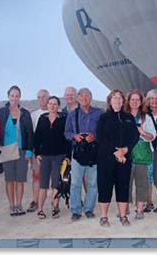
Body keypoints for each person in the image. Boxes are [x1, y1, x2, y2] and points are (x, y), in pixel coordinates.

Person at [96, 90, 139, 227]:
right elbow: (100, 137)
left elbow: (135, 136)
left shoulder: (129, 117)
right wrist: (116, 152)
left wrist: (125, 150)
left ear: (123, 101)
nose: (118, 100)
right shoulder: (104, 117)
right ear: (110, 100)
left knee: (123, 187)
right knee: (105, 187)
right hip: (106, 159)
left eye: (120, 98)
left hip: (125, 159)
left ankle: (123, 216)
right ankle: (104, 217)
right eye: (115, 98)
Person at [65, 88, 103, 221]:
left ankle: (89, 209)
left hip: (94, 152)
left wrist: (95, 137)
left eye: (87, 95)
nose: (85, 98)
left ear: (91, 97)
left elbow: (104, 131)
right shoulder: (72, 114)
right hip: (78, 152)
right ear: (78, 98)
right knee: (75, 183)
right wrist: (75, 136)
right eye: (82, 96)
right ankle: (75, 210)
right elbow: (67, 133)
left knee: (93, 183)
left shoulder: (99, 113)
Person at [0, 85, 34, 216]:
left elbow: (30, 133)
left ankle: (19, 205)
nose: (14, 98)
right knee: (9, 179)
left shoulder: (25, 113)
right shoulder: (2, 112)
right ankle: (11, 205)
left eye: (17, 96)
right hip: (6, 150)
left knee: (20, 179)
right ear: (8, 96)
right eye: (12, 95)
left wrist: (29, 151)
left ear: (20, 97)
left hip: (21, 150)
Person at [34, 96, 71, 219]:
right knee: (43, 184)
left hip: (59, 156)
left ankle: (55, 207)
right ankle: (40, 209)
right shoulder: (42, 119)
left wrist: (68, 156)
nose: (52, 106)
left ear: (58, 106)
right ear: (47, 105)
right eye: (50, 103)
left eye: (55, 104)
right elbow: (37, 137)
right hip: (44, 156)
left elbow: (67, 140)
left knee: (56, 183)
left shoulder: (63, 119)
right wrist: (37, 154)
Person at [125, 90, 156, 220]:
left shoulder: (146, 117)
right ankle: (124, 208)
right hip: (126, 153)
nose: (135, 102)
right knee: (125, 182)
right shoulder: (123, 116)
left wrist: (142, 132)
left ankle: (139, 209)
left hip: (142, 153)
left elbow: (153, 136)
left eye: (137, 99)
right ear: (128, 101)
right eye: (132, 99)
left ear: (141, 101)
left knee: (142, 183)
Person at [28, 89, 50, 213]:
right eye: (39, 97)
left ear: (49, 97)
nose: (42, 99)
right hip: (38, 151)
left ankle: (55, 202)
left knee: (56, 177)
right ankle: (35, 201)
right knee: (36, 176)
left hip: (53, 151)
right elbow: (31, 134)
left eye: (44, 97)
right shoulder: (33, 115)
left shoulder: (56, 112)